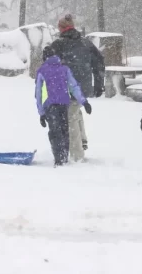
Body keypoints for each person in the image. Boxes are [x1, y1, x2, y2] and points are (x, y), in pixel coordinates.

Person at [48, 13, 105, 161]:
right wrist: (99, 83)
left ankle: (77, 155)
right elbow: (99, 61)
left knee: (70, 117)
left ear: (61, 28)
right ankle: (83, 141)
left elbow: (48, 63)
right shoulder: (86, 43)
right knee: (75, 111)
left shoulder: (58, 44)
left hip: (67, 87)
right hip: (84, 87)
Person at [35, 46, 91, 166]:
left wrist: (41, 113)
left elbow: (38, 93)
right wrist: (84, 101)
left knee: (55, 133)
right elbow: (74, 86)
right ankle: (64, 157)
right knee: (65, 131)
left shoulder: (42, 71)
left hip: (49, 105)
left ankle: (59, 160)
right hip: (64, 104)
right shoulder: (64, 69)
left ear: (45, 57)